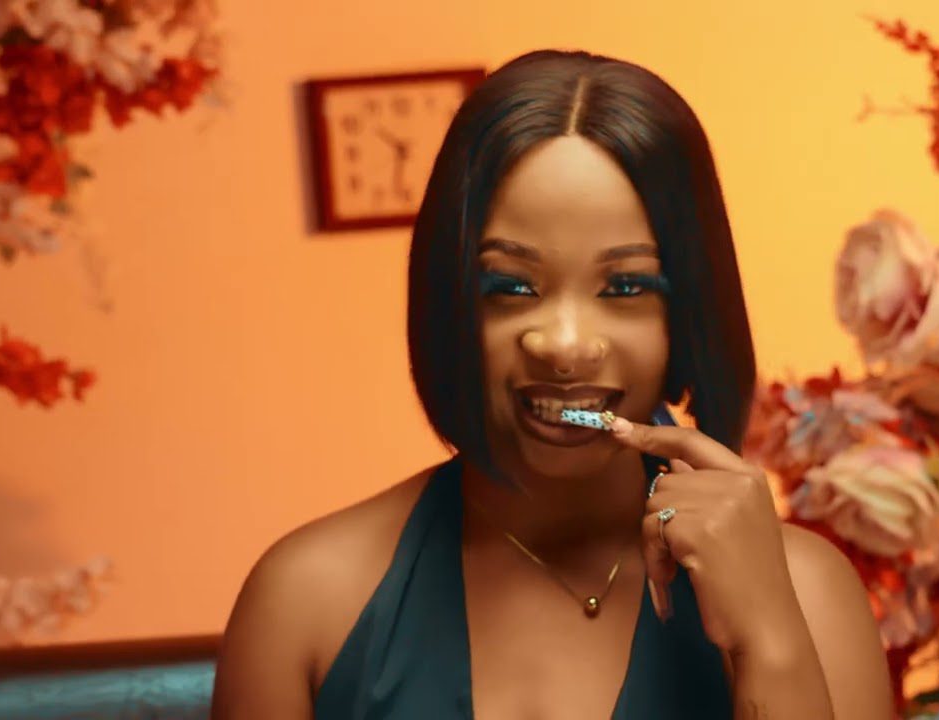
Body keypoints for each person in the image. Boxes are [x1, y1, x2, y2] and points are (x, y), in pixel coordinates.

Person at [211, 49, 893, 719]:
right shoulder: (306, 601)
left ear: (688, 312)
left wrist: (768, 644)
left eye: (625, 287)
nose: (564, 346)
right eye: (511, 287)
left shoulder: (809, 597)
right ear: (449, 302)